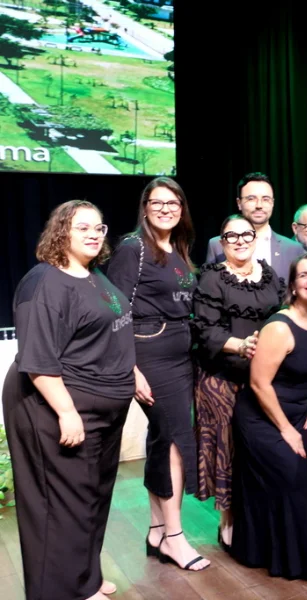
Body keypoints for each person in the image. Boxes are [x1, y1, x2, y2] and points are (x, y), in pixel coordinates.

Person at [3, 200, 135, 600]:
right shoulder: (43, 283)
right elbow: (39, 361)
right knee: (60, 506)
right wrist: (67, 412)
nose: (94, 234)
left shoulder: (93, 275)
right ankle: (61, 591)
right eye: (83, 227)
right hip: (56, 407)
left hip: (102, 408)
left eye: (99, 226)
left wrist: (134, 373)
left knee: (91, 498)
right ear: (61, 231)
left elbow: (112, 331)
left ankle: (85, 579)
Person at [107, 177, 209, 572]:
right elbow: (115, 311)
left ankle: (155, 529)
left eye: (174, 203)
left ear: (182, 209)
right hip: (149, 356)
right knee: (176, 442)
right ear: (145, 207)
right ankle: (175, 538)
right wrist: (130, 369)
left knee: (162, 439)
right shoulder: (133, 248)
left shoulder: (178, 248)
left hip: (181, 355)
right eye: (157, 202)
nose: (166, 208)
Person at [230, 255, 307, 579]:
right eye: (304, 275)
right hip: (261, 416)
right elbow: (259, 383)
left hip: (300, 410)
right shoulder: (279, 326)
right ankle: (289, 557)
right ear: (293, 285)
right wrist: (287, 430)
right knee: (292, 470)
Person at [191, 215, 284, 549]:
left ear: (256, 236)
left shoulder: (270, 276)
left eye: (247, 234)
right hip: (222, 378)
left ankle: (255, 516)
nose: (241, 240)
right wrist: (241, 346)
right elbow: (206, 330)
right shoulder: (212, 278)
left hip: (262, 378)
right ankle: (227, 520)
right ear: (222, 240)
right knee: (228, 449)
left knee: (257, 449)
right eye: (233, 235)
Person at [206, 172, 304, 280]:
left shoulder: (293, 249)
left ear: (273, 203)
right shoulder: (217, 245)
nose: (259, 205)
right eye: (251, 199)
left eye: (266, 199)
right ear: (239, 203)